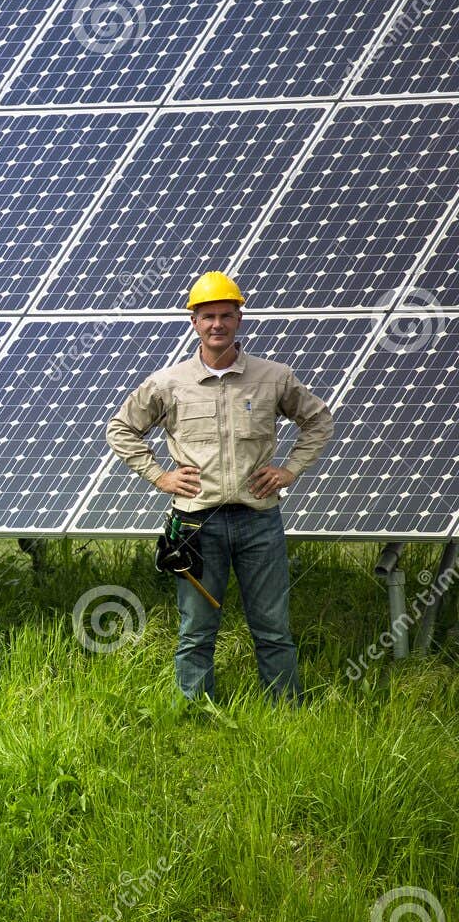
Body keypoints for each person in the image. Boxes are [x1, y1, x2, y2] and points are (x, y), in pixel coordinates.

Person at [104, 271, 334, 704]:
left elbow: (318, 420)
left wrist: (290, 469)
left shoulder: (274, 378)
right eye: (207, 316)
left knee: (272, 627)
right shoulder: (168, 383)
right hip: (195, 524)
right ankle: (194, 712)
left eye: (226, 315)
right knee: (196, 628)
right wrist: (160, 476)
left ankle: (285, 709)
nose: (217, 325)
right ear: (194, 321)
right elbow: (121, 429)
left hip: (258, 522)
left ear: (239, 319)